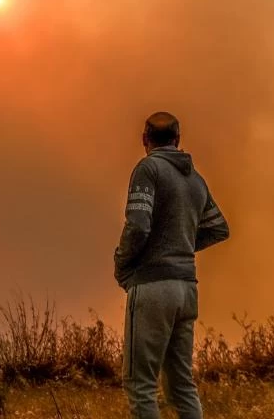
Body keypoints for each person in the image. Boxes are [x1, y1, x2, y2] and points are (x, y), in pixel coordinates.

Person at [114, 112, 230, 419]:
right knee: (182, 386)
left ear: (145, 140)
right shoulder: (196, 180)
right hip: (186, 288)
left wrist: (122, 263)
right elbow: (219, 228)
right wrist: (182, 246)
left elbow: (138, 225)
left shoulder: (148, 169)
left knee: (140, 385)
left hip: (153, 286)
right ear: (178, 140)